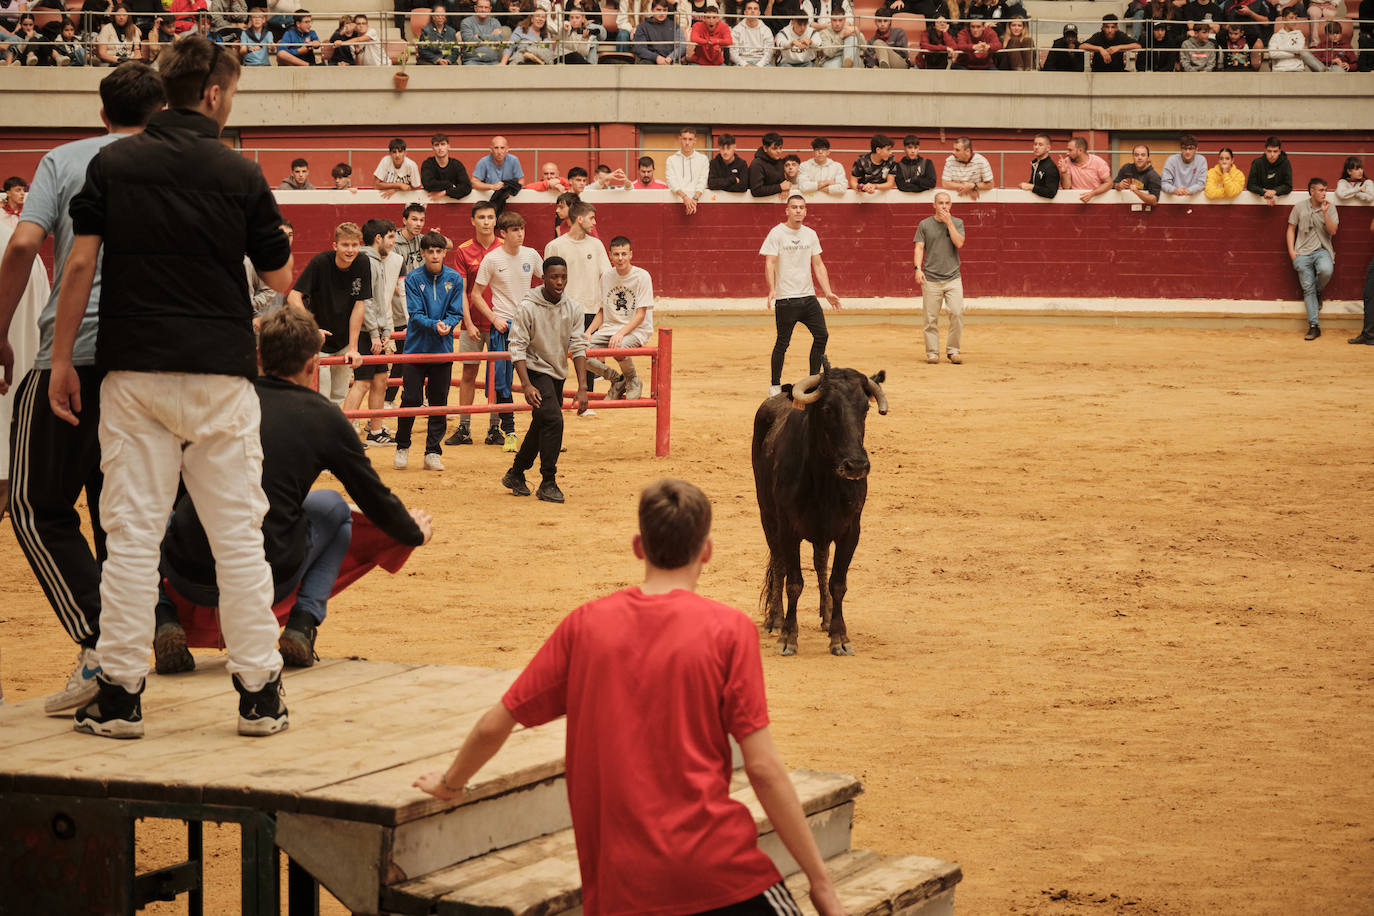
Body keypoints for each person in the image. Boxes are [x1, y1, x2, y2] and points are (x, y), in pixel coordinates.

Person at [413, 478, 847, 916]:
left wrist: (450, 784)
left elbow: (496, 723)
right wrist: (821, 882)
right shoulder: (728, 630)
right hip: (718, 874)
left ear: (639, 546)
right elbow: (764, 768)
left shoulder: (585, 626)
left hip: (622, 891)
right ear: (707, 550)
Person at [49, 37, 294, 739]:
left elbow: (78, 268)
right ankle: (258, 694)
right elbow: (279, 279)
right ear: (213, 94)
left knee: (130, 539)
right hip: (219, 369)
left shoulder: (114, 163)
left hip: (134, 369)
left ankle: (121, 697)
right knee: (238, 538)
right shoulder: (239, 172)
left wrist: (63, 358)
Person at [0, 66, 161, 717]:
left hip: (73, 352)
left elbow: (22, 247)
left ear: (103, 112)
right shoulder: (183, 164)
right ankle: (122, 663)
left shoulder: (64, 160)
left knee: (37, 508)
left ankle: (103, 650)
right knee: (118, 515)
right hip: (157, 362)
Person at [152, 306, 432, 672]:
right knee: (333, 506)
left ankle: (163, 619)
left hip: (189, 571)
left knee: (150, 511)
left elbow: (165, 483)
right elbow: (373, 498)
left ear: (258, 357)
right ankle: (302, 626)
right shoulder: (323, 416)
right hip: (268, 574)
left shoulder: (213, 400)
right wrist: (412, 532)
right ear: (312, 365)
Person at [498, 258, 588, 504]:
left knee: (542, 423)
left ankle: (516, 473)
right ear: (543, 278)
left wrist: (582, 386)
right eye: (553, 277)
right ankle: (548, 481)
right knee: (554, 420)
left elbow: (578, 345)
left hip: (557, 372)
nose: (559, 282)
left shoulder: (574, 308)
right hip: (535, 370)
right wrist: (527, 384)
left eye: (562, 277)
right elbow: (516, 347)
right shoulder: (528, 307)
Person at [472, 210, 542, 450]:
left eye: (522, 229)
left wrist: (538, 312)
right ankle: (510, 432)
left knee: (537, 377)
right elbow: (476, 295)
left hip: (529, 326)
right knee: (502, 380)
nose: (520, 234)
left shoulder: (531, 255)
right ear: (503, 233)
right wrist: (493, 318)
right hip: (502, 325)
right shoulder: (492, 259)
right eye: (514, 230)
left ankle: (540, 431)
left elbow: (548, 282)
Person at [394, 231, 463, 470]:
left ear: (445, 252)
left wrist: (450, 324)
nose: (434, 255)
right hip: (415, 350)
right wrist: (438, 325)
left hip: (442, 351)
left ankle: (432, 452)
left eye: (438, 251)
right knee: (410, 398)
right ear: (422, 253)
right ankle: (402, 446)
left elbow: (456, 312)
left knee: (438, 401)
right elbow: (415, 314)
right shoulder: (412, 279)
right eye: (430, 251)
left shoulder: (455, 278)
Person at [760, 195, 842, 397]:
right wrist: (772, 289)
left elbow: (818, 264)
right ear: (787, 211)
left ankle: (813, 379)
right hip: (786, 299)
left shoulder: (811, 234)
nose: (798, 210)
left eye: (801, 207)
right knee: (783, 342)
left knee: (822, 335)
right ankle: (774, 385)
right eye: (794, 207)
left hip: (808, 297)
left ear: (806, 211)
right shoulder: (777, 233)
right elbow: (769, 263)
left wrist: (828, 291)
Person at [287, 222, 369, 406]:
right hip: (319, 342)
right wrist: (313, 329)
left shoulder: (363, 263)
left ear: (360, 245)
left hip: (343, 341)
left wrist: (353, 347)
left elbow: (359, 305)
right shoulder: (320, 262)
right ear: (335, 246)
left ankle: (331, 433)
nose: (350, 250)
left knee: (338, 396)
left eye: (354, 245)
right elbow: (293, 297)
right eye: (345, 245)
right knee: (320, 397)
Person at [446, 201, 503, 447]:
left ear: (495, 220)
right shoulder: (463, 251)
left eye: (490, 217)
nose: (486, 222)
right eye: (481, 217)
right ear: (473, 221)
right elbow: (462, 291)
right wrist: (467, 322)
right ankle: (464, 428)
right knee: (468, 373)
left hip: (500, 323)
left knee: (498, 376)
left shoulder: (505, 248)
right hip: (473, 324)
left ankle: (495, 428)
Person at [544, 200, 611, 404]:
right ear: (579, 219)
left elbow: (607, 275)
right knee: (557, 356)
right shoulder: (555, 246)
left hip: (589, 307)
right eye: (591, 218)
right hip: (562, 309)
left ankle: (586, 398)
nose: (594, 222)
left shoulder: (596, 244)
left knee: (587, 355)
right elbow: (546, 280)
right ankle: (556, 399)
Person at [341, 218, 398, 448]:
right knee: (363, 382)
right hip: (366, 330)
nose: (393, 243)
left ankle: (375, 431)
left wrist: (384, 329)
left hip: (374, 328)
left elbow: (377, 300)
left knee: (380, 379)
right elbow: (366, 300)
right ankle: (344, 434)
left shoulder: (373, 260)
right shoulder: (367, 261)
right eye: (391, 237)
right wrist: (376, 331)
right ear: (378, 238)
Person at [586, 235, 653, 402]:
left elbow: (641, 314)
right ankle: (617, 379)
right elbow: (602, 311)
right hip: (610, 329)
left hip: (636, 330)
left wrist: (621, 333)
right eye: (616, 254)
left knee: (619, 346)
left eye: (624, 254)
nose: (620, 258)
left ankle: (633, 380)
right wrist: (588, 332)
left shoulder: (642, 276)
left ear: (631, 254)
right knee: (579, 350)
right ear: (610, 255)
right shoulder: (606, 277)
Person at [914, 191, 966, 365]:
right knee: (930, 318)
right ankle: (932, 353)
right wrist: (917, 268)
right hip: (931, 278)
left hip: (953, 278)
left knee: (957, 313)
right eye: (941, 203)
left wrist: (949, 222)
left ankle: (953, 351)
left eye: (947, 203)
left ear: (951, 205)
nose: (944, 206)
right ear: (934, 205)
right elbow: (919, 247)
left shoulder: (957, 223)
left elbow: (959, 243)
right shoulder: (925, 224)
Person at [1287, 177, 1338, 341]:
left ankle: (1318, 289)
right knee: (1307, 288)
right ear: (1312, 191)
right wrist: (1292, 252)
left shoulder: (1330, 208)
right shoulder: (1299, 207)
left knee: (1326, 270)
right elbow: (1290, 229)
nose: (1324, 193)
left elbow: (1333, 231)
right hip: (1302, 252)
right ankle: (1314, 326)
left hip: (1322, 250)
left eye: (1325, 190)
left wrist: (1324, 212)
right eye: (1321, 190)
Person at [387, 202, 426, 406]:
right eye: (414, 219)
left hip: (419, 308)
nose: (418, 224)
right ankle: (388, 398)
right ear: (404, 220)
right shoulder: (392, 243)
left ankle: (422, 396)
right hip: (398, 309)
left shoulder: (423, 241)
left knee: (424, 352)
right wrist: (407, 296)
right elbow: (390, 281)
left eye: (421, 220)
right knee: (403, 354)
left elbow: (447, 243)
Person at [665, 126, 709, 214]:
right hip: (676, 202)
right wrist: (684, 197)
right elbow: (671, 181)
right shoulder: (671, 160)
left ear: (695, 141)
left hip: (697, 202)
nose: (687, 142)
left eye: (690, 139)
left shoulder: (703, 159)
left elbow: (703, 180)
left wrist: (695, 199)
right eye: (684, 139)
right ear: (680, 139)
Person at [420, 132, 473, 202]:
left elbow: (466, 187)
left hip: (454, 206)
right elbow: (428, 184)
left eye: (443, 144)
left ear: (448, 146)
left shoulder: (457, 165)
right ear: (433, 148)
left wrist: (445, 192)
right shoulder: (428, 164)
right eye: (436, 145)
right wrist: (449, 185)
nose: (440, 148)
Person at [1058, 136, 1112, 202]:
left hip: (1095, 201)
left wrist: (1092, 193)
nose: (1067, 153)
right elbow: (1066, 187)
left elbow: (1109, 183)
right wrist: (1064, 172)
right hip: (1075, 201)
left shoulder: (1098, 162)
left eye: (1070, 150)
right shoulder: (1067, 161)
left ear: (1080, 150)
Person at [941, 136, 994, 200]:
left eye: (957, 150)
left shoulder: (981, 161)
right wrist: (968, 188)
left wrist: (973, 186)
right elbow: (945, 184)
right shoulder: (950, 160)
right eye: (953, 149)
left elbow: (990, 184)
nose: (953, 152)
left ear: (967, 151)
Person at [1247, 136, 1293, 206]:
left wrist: (1274, 191)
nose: (1272, 154)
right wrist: (1264, 193)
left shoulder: (1285, 163)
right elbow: (1250, 185)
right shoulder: (1257, 163)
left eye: (1275, 151)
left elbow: (1288, 186)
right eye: (1269, 151)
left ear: (1279, 152)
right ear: (1265, 151)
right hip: (1259, 204)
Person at [460, 0, 505, 65]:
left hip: (493, 61)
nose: (483, 10)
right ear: (475, 8)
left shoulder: (495, 22)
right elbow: (469, 41)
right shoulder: (466, 22)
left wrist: (479, 36)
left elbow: (499, 39)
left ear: (490, 9)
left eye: (486, 7)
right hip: (472, 61)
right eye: (481, 7)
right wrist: (491, 36)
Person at [730, 0, 773, 65]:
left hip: (761, 63)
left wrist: (759, 65)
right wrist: (745, 64)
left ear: (759, 13)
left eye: (755, 9)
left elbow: (769, 53)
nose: (752, 11)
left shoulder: (766, 30)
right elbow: (733, 53)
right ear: (745, 12)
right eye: (749, 8)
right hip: (742, 62)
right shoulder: (736, 30)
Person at [1019, 132, 1060, 199]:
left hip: (1048, 207)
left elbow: (1051, 192)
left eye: (1040, 145)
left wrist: (1031, 187)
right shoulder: (1035, 163)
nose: (1036, 147)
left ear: (1048, 148)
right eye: (1035, 144)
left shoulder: (1051, 167)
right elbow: (1034, 184)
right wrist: (1026, 185)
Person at [749, 132, 790, 198]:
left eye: (780, 148)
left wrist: (785, 189)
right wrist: (779, 188)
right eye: (775, 148)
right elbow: (756, 190)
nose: (779, 151)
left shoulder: (780, 162)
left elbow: (783, 183)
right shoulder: (756, 164)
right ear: (765, 148)